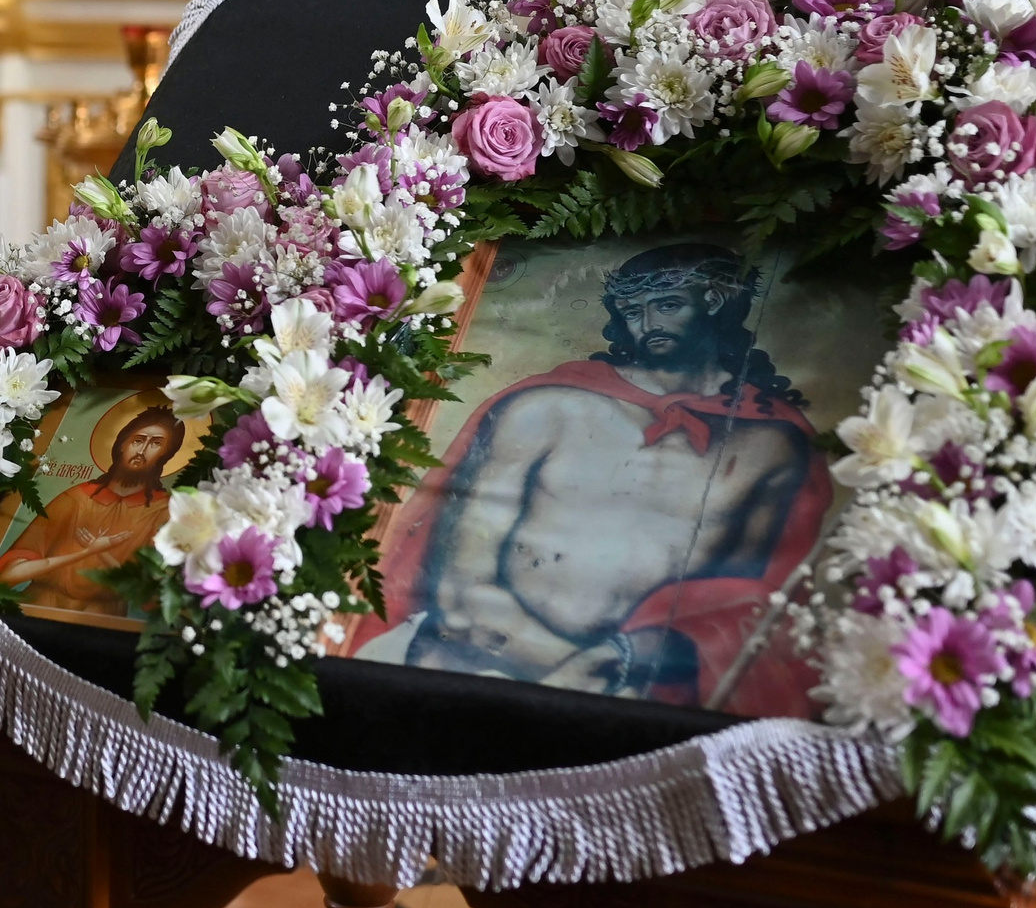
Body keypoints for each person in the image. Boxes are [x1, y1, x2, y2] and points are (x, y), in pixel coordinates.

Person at [351, 245, 831, 717]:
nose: (648, 324)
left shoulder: (774, 447)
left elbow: (747, 608)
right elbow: (457, 588)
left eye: (667, 305)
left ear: (713, 301)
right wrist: (581, 676)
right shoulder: (545, 409)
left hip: (642, 694)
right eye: (633, 311)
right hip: (470, 671)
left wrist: (619, 667)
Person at [0, 404, 185, 615]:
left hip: (102, 621)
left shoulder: (163, 512)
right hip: (37, 606)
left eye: (156, 444)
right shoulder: (75, 499)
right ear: (122, 444)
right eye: (138, 440)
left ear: (166, 455)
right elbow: (9, 571)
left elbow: (155, 595)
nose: (141, 450)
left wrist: (101, 555)